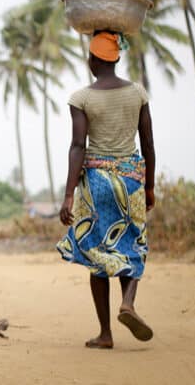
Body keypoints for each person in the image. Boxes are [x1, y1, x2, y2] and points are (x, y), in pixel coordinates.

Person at [57, 30, 156, 350]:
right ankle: (128, 302)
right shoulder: (138, 93)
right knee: (132, 244)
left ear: (92, 60)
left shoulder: (81, 98)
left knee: (98, 254)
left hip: (98, 184)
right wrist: (149, 184)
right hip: (130, 182)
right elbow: (148, 143)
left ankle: (105, 334)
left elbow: (77, 147)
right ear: (116, 57)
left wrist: (69, 193)